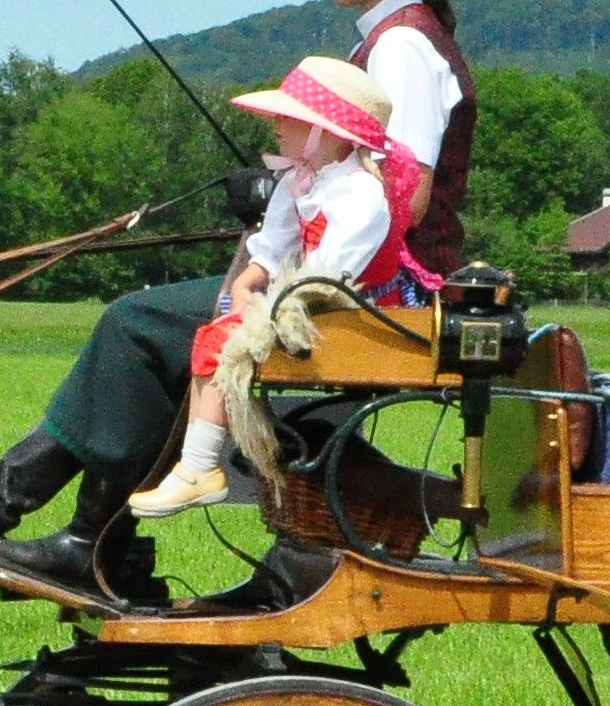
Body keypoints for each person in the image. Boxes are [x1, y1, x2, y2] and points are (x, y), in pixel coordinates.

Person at [0, 0, 477, 596]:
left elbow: (407, 189)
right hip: (342, 277)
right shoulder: (393, 40)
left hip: (366, 293)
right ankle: (62, 527)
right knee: (157, 327)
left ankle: (41, 515)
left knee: (136, 323)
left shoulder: (403, 48)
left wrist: (290, 193)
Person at [124, 54, 433, 520]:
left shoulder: (361, 196)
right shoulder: (299, 182)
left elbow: (330, 278)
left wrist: (266, 313)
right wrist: (250, 280)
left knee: (221, 343)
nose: (275, 126)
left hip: (360, 313)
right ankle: (199, 465)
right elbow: (273, 248)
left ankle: (199, 468)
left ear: (326, 133)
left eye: (289, 119)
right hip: (311, 302)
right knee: (219, 331)